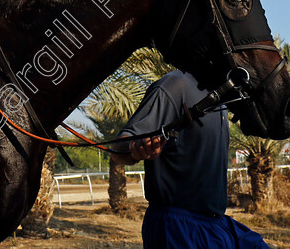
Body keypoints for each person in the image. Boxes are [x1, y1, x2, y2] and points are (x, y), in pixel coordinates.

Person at [111, 70, 270, 248]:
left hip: (215, 225)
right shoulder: (175, 85)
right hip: (176, 227)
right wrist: (135, 148)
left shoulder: (220, 95)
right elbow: (118, 147)